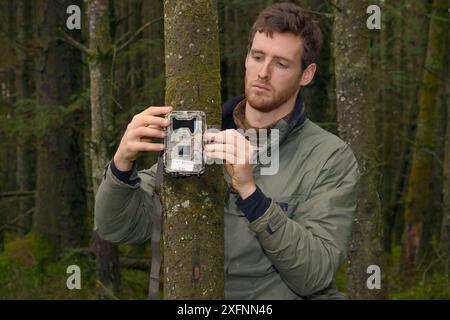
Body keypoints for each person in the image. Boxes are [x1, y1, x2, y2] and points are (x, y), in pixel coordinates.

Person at [95, 2, 358, 300]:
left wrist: (250, 192)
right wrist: (121, 164)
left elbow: (314, 274)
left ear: (306, 74)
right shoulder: (201, 136)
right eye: (257, 57)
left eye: (281, 64)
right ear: (246, 58)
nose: (264, 72)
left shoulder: (329, 157)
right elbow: (114, 227)